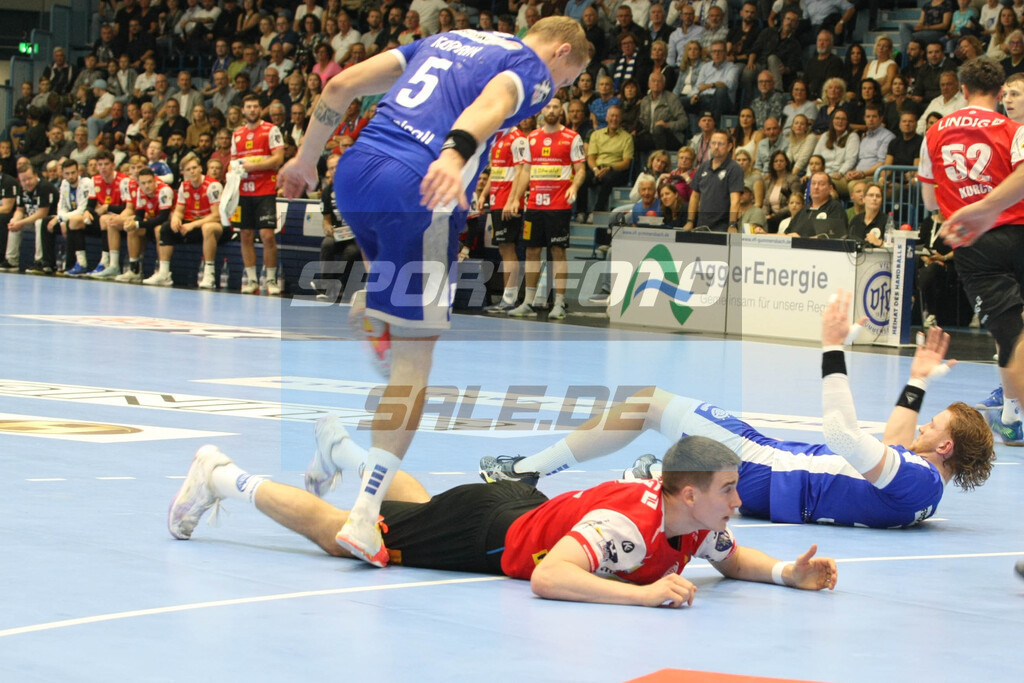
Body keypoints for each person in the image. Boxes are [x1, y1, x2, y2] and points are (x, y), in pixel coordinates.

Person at [276, 17, 588, 568]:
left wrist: (304, 161)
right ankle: (363, 517)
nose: (555, 91)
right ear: (562, 52)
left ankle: (374, 307)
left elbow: (337, 87)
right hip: (420, 188)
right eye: (567, 80)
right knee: (415, 365)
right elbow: (489, 106)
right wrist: (452, 155)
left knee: (394, 289)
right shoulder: (531, 68)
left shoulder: (445, 40)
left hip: (356, 172)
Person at [480, 293, 995, 530]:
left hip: (756, 464)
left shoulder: (915, 480)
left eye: (935, 426)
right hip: (764, 483)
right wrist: (916, 381)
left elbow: (841, 433)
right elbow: (896, 443)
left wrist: (832, 347)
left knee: (644, 403)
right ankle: (660, 473)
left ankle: (527, 472)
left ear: (946, 447)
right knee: (652, 422)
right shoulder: (924, 487)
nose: (925, 425)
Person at [168, 431, 838, 606]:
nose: (737, 501)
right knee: (349, 537)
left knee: (415, 506)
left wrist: (785, 572)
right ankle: (220, 474)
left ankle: (340, 448)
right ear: (687, 493)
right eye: (728, 489)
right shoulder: (630, 529)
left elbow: (732, 556)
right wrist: (646, 594)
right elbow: (552, 579)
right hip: (489, 535)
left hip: (524, 509)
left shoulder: (692, 519)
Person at [929, 59, 1024, 446]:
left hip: (978, 240)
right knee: (1012, 333)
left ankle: (1014, 411)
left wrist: (977, 210)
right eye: (1012, 93)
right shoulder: (1012, 131)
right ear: (1001, 94)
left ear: (962, 90)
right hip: (1010, 231)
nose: (1013, 100)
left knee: (1012, 332)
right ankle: (1011, 407)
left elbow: (927, 191)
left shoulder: (935, 132)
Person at [506, 96, 586, 320]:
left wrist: (574, 186)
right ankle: (528, 302)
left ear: (562, 111)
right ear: (542, 111)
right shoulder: (531, 138)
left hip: (558, 205)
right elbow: (525, 172)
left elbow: (580, 170)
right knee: (531, 251)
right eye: (548, 106)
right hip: (534, 205)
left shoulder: (572, 137)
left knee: (558, 252)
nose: (551, 110)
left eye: (556, 107)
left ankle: (559, 303)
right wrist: (515, 198)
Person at [230, 94, 285, 295]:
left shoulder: (271, 130)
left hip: (265, 189)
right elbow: (233, 162)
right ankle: (252, 280)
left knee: (267, 235)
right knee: (245, 235)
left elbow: (278, 158)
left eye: (255, 106)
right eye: (248, 106)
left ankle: (270, 279)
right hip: (243, 190)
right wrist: (233, 170)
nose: (252, 110)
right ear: (243, 110)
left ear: (260, 109)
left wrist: (253, 166)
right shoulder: (237, 134)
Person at [143, 153, 223, 287]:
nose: (192, 171)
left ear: (200, 168)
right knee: (162, 228)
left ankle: (209, 275)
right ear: (183, 172)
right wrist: (175, 219)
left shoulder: (213, 185)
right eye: (188, 169)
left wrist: (192, 225)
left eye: (194, 168)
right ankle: (164, 273)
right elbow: (179, 211)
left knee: (208, 228)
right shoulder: (184, 186)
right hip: (192, 224)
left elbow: (217, 215)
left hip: (215, 225)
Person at [482, 119, 532, 313]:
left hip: (508, 202)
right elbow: (495, 171)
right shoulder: (496, 137)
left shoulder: (518, 139)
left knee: (508, 248)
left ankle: (509, 299)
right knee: (503, 249)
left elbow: (522, 172)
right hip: (496, 200)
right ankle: (506, 297)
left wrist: (513, 200)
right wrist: (484, 194)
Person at [684, 130, 743, 232]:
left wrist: (732, 224)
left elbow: (735, 200)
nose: (716, 147)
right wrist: (690, 221)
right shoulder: (703, 166)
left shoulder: (734, 168)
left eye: (720, 144)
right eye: (713, 143)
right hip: (701, 225)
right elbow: (694, 196)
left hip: (722, 227)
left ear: (729, 146)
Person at [786, 171, 848, 237]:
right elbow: (787, 233)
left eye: (821, 184)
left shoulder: (835, 208)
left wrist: (801, 238)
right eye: (813, 183)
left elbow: (834, 238)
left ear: (830, 188)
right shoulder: (804, 210)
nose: (816, 187)